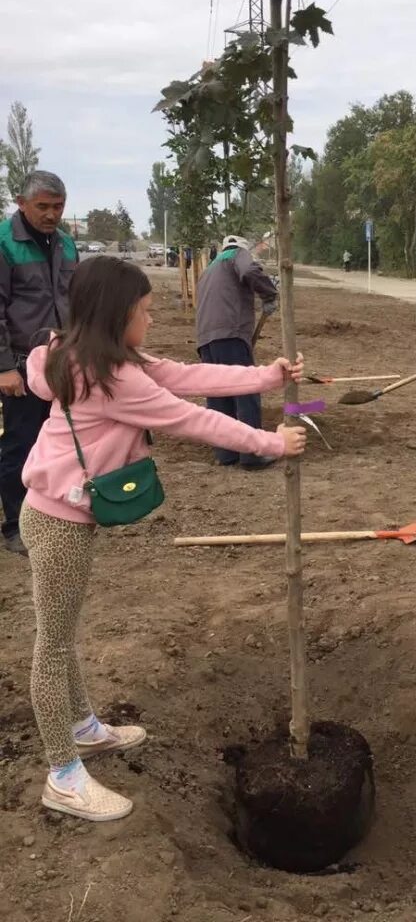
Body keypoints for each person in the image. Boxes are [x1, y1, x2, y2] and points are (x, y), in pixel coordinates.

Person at [19, 256, 306, 822]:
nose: (150, 320)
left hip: (56, 513)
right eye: (144, 311)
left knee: (63, 630)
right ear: (116, 313)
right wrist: (270, 442)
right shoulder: (111, 377)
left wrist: (264, 377)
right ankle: (63, 774)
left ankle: (84, 728)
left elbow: (185, 374)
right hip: (58, 522)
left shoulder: (88, 356)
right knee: (52, 645)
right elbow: (191, 418)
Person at [0, 171, 76, 555]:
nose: (51, 214)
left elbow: (73, 299)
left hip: (61, 362)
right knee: (22, 442)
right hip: (21, 364)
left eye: (58, 207)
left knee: (60, 439)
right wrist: (4, 368)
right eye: (43, 207)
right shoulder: (4, 243)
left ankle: (53, 513)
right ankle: (15, 524)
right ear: (21, 202)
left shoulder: (65, 243)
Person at [196, 234, 280, 470]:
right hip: (230, 334)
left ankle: (226, 453)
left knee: (218, 395)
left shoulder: (210, 268)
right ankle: (252, 453)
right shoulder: (237, 254)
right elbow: (250, 271)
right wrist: (268, 293)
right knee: (247, 389)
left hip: (206, 340)